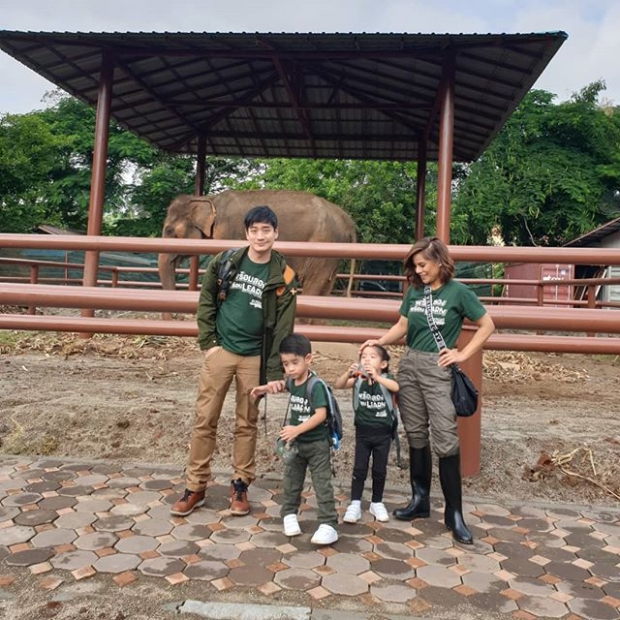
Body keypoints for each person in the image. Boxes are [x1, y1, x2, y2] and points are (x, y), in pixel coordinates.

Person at [362, 237, 495, 544]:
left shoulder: (459, 292)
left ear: (439, 261)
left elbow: (487, 325)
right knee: (416, 433)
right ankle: (420, 500)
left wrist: (462, 354)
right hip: (409, 365)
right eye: (415, 266)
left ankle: (454, 513)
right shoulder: (414, 292)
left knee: (446, 437)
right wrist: (377, 343)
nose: (418, 270)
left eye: (423, 265)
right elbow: (402, 326)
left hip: (438, 369)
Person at [170, 205, 297, 518]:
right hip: (221, 352)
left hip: (255, 357)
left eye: (266, 230)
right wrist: (209, 344)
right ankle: (195, 486)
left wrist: (273, 371)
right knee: (205, 419)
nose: (260, 236)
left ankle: (240, 484)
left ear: (276, 233)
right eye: (254, 230)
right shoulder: (225, 261)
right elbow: (206, 302)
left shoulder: (285, 275)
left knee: (247, 423)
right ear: (247, 234)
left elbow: (284, 327)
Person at [251, 334, 339, 545]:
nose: (290, 368)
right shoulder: (293, 380)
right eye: (285, 364)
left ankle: (329, 523)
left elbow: (321, 415)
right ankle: (289, 514)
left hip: (317, 445)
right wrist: (264, 388)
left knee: (322, 484)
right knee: (291, 481)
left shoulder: (316, 385)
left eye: (294, 363)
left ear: (308, 358)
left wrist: (296, 429)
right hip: (296, 444)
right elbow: (283, 385)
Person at [334, 344, 399, 524]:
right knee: (359, 468)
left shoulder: (386, 379)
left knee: (379, 470)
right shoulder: (358, 379)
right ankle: (355, 503)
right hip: (362, 432)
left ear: (383, 364)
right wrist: (348, 373)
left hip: (383, 434)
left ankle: (376, 502)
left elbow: (396, 387)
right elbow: (338, 385)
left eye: (372, 356)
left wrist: (377, 377)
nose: (367, 359)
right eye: (363, 356)